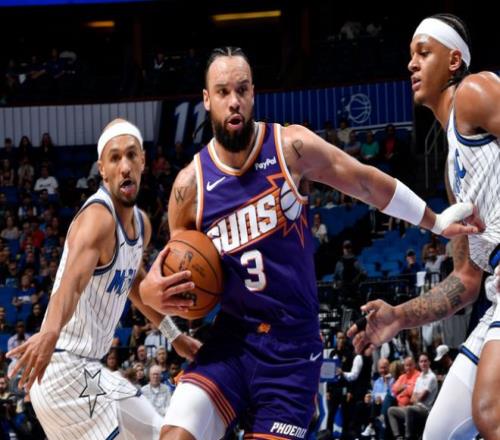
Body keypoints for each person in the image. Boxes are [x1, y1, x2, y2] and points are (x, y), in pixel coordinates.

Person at [139, 46, 480, 440]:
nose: (234, 101)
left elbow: (364, 181)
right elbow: (176, 278)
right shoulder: (189, 187)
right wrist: (152, 292)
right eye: (223, 92)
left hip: (292, 351)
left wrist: (434, 221)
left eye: (242, 90)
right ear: (206, 99)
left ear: (253, 93)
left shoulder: (289, 147)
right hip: (230, 344)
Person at [347, 13, 500, 440]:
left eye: (424, 52)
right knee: (440, 432)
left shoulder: (473, 91)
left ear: (454, 60)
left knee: (490, 412)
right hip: (494, 292)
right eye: (411, 55)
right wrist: (398, 317)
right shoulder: (453, 170)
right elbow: (466, 281)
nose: (411, 63)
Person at [6, 118, 202, 440]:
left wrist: (175, 337)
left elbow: (135, 285)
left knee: (161, 433)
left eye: (131, 155)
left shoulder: (142, 225)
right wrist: (50, 331)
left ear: (143, 162)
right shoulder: (98, 219)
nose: (124, 166)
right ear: (103, 170)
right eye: (115, 158)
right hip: (61, 368)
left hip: (90, 371)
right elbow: (70, 286)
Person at [387, 353, 437, 440]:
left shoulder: (431, 377)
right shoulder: (420, 377)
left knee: (409, 409)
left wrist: (416, 395)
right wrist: (416, 395)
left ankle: (408, 437)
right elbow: (412, 398)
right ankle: (398, 437)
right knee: (391, 410)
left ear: (429, 362)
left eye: (425, 361)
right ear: (419, 364)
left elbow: (422, 397)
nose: (423, 363)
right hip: (414, 407)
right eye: (421, 361)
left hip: (424, 409)